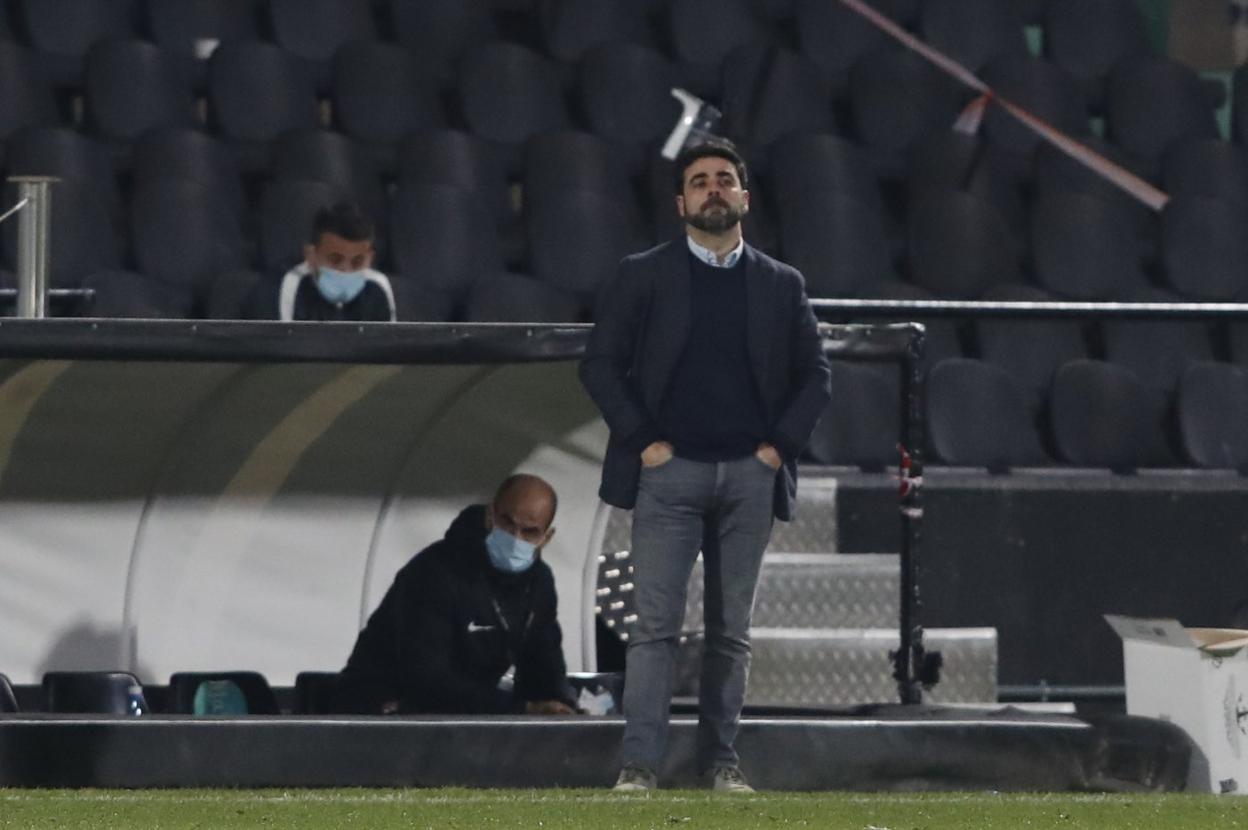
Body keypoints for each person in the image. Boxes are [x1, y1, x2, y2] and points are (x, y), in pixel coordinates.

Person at [579, 140, 831, 792]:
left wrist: (777, 448)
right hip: (669, 474)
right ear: (680, 202)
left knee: (730, 635)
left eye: (725, 180)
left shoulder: (782, 284)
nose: (713, 190)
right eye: (700, 182)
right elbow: (599, 365)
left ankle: (722, 767)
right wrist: (645, 441)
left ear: (744, 197)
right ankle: (638, 769)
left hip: (750, 475)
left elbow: (817, 376)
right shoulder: (643, 274)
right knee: (653, 631)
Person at [333, 474, 577, 715]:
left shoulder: (538, 584)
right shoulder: (436, 571)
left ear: (547, 537)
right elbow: (426, 677)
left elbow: (545, 661)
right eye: (508, 523)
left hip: (458, 714)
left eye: (530, 532)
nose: (516, 538)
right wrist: (520, 709)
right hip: (381, 710)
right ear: (490, 516)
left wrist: (564, 707)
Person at [278, 201, 396, 322]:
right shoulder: (292, 284)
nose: (346, 270)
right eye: (335, 260)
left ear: (370, 259)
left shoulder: (378, 287)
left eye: (357, 262)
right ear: (311, 255)